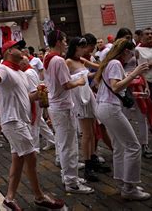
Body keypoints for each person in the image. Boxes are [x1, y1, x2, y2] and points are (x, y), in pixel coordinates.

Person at [0, 40, 65, 211]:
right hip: (13, 121)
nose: (23, 50)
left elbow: (26, 97)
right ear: (9, 51)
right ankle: (40, 197)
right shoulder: (3, 69)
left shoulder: (21, 73)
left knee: (18, 161)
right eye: (18, 48)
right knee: (31, 157)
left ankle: (9, 198)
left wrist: (39, 94)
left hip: (22, 120)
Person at [94, 38, 151, 200]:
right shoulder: (115, 64)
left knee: (119, 146)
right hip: (110, 108)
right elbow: (115, 86)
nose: (132, 57)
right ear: (126, 51)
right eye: (131, 53)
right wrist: (135, 73)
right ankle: (129, 187)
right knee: (133, 146)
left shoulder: (110, 63)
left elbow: (115, 89)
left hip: (105, 107)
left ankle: (122, 182)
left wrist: (138, 94)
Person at [44, 31, 94, 194]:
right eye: (64, 40)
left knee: (66, 143)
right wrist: (79, 81)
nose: (66, 43)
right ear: (58, 42)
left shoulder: (48, 57)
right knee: (68, 145)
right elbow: (66, 84)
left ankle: (69, 175)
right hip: (62, 106)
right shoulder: (58, 60)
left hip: (58, 105)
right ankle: (71, 182)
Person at [66, 37, 99, 182]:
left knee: (91, 131)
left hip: (88, 95)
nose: (84, 49)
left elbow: (97, 68)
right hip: (80, 98)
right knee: (86, 133)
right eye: (81, 47)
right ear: (75, 47)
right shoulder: (68, 62)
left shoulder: (81, 60)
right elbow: (66, 82)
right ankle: (87, 167)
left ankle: (92, 160)